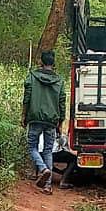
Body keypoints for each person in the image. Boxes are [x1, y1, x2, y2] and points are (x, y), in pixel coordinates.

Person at [21, 50, 66, 195]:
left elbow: (26, 98)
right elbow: (62, 103)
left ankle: (42, 168)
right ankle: (48, 186)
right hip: (51, 121)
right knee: (48, 150)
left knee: (32, 147)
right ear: (53, 64)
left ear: (41, 62)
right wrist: (60, 122)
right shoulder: (59, 81)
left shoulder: (32, 77)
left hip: (35, 118)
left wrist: (24, 116)